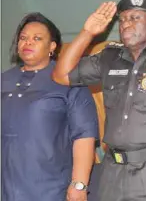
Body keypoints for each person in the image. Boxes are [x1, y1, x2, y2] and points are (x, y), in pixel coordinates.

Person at [52, 0, 146, 201]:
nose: (125, 24)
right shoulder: (109, 57)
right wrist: (87, 33)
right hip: (112, 172)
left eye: (135, 18)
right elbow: (61, 75)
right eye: (122, 19)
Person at [1, 12, 99, 201]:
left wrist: (79, 185)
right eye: (23, 38)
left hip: (51, 188)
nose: (27, 43)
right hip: (7, 186)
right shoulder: (4, 79)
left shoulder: (69, 81)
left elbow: (84, 136)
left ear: (52, 47)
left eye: (37, 38)